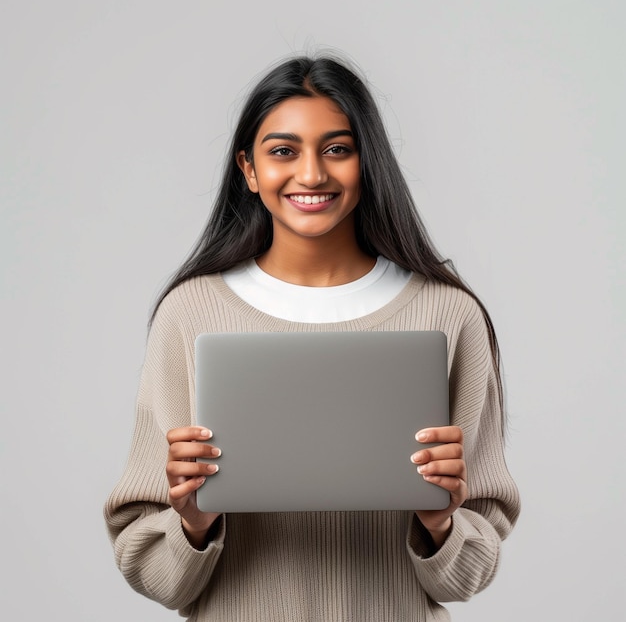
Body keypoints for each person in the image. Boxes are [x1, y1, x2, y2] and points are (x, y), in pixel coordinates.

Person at [104, 54, 520, 621]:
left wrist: (442, 522)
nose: (311, 174)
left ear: (366, 162)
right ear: (248, 170)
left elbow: (471, 570)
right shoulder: (190, 313)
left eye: (337, 149)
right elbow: (152, 573)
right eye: (282, 151)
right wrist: (191, 524)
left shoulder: (449, 314)